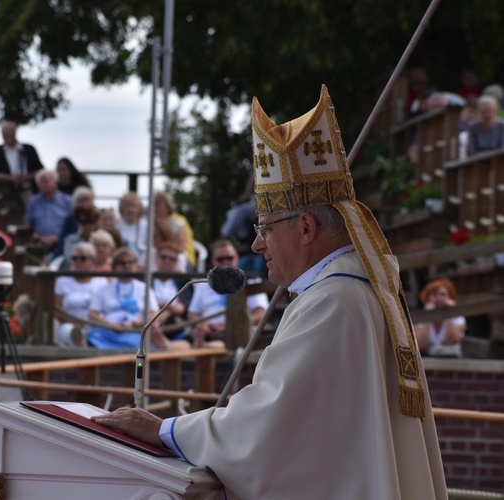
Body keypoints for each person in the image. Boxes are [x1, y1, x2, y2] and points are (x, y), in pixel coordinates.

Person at [94, 85, 446, 499]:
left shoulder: (331, 303)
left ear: (305, 228)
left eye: (265, 228)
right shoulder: (362, 292)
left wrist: (163, 429)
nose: (256, 245)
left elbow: (269, 426)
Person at [87, 247, 189, 351]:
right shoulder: (104, 289)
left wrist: (135, 323)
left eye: (130, 263)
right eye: (123, 263)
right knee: (93, 336)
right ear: (115, 267)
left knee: (135, 342)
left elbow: (154, 314)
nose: (127, 266)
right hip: (108, 330)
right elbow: (92, 315)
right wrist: (110, 325)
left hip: (135, 331)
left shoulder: (144, 288)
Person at [187, 239, 268, 348]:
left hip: (241, 335)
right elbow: (193, 314)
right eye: (220, 259)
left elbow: (261, 315)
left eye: (230, 258)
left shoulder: (251, 281)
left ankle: (204, 346)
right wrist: (202, 325)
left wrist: (231, 325)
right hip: (207, 334)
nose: (226, 263)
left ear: (237, 259)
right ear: (213, 262)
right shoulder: (203, 284)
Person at [53, 242, 108, 347]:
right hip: (69, 324)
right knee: (73, 332)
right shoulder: (63, 281)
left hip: (96, 324)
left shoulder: (101, 282)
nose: (78, 261)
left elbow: (106, 308)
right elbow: (56, 309)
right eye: (74, 258)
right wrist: (72, 321)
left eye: (82, 258)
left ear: (92, 261)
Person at [0, 119, 44, 209]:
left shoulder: (28, 149)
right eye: (4, 134)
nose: (6, 136)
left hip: (30, 189)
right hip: (8, 192)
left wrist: (26, 177)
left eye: (8, 133)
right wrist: (12, 178)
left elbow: (39, 170)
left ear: (14, 132)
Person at [414, 278, 466, 357]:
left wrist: (449, 313)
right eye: (435, 294)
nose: (439, 298)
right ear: (427, 297)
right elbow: (420, 344)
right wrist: (428, 316)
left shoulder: (457, 317)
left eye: (443, 295)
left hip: (451, 360)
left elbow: (451, 341)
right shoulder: (419, 318)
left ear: (450, 297)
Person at [25, 170, 73, 251]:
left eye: (45, 181)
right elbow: (28, 224)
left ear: (55, 183)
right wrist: (37, 237)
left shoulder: (67, 201)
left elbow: (73, 225)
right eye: (40, 182)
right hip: (39, 244)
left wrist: (59, 238)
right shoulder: (33, 202)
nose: (42, 185)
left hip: (62, 245)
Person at [154, 191, 195, 270]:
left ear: (167, 206)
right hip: (155, 258)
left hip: (177, 259)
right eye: (153, 204)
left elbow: (180, 248)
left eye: (158, 204)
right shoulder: (148, 224)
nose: (154, 207)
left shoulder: (179, 223)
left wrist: (162, 247)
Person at [52, 186, 95, 259]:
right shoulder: (69, 220)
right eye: (81, 200)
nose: (84, 203)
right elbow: (62, 242)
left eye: (87, 200)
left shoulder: (98, 216)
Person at [116, 192, 148, 256]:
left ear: (139, 208)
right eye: (127, 206)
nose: (131, 209)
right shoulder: (116, 224)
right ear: (122, 208)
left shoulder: (146, 225)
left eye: (134, 206)